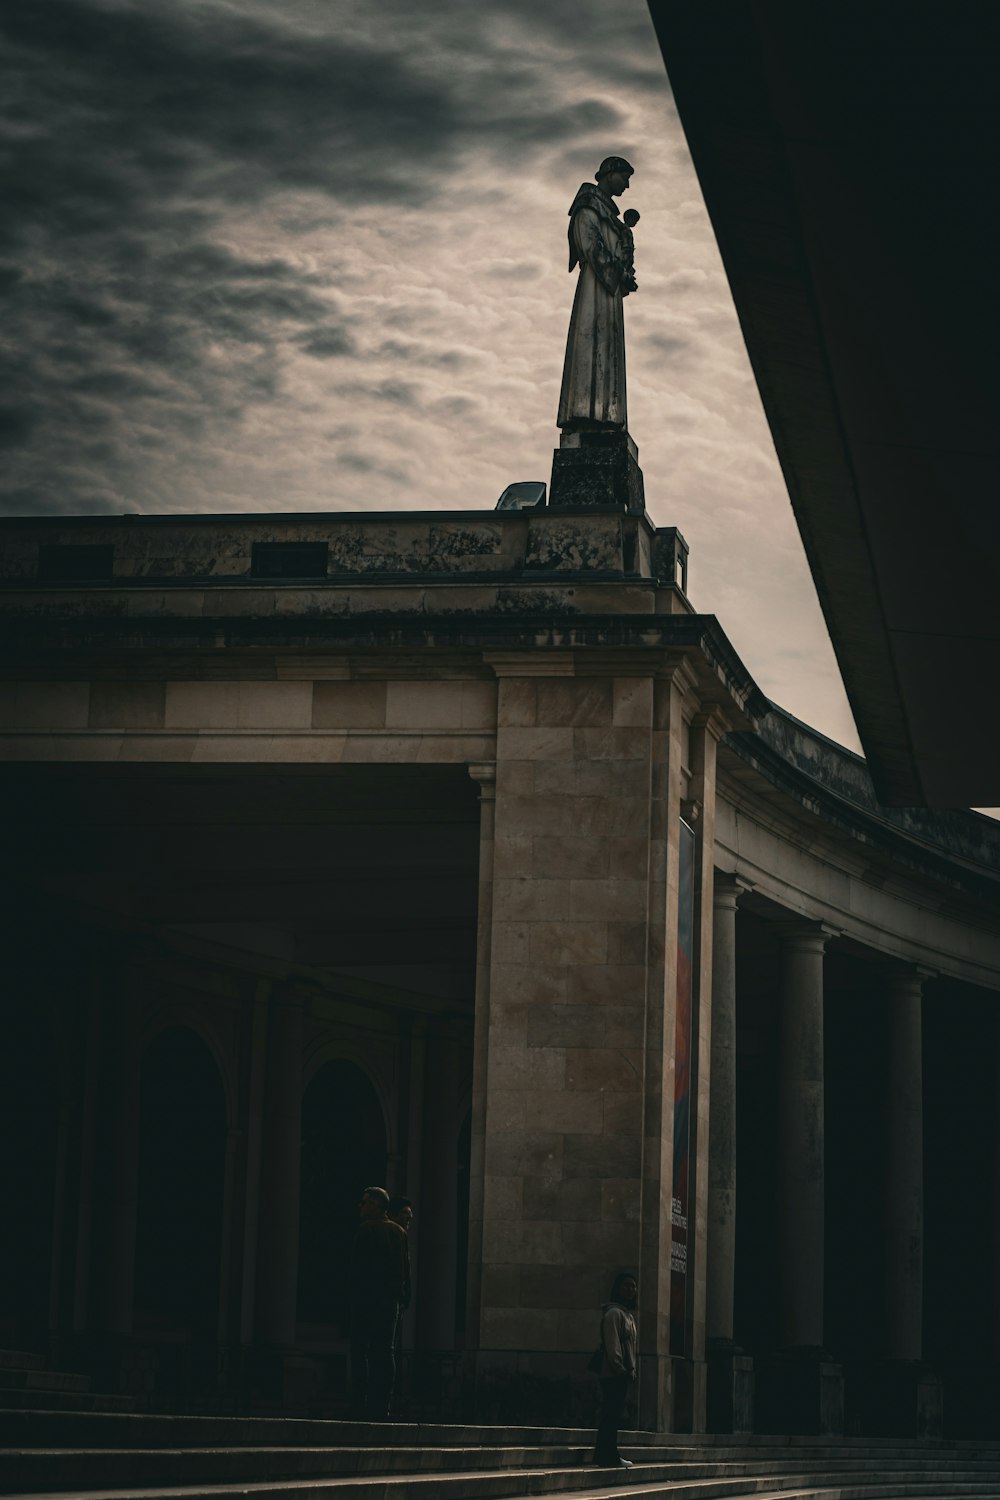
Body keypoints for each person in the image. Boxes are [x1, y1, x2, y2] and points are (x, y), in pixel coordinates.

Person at [557, 156, 636, 433]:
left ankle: (605, 416)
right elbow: (590, 244)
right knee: (591, 344)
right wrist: (618, 272)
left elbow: (615, 255)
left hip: (609, 292)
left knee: (607, 347)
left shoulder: (613, 218)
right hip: (596, 284)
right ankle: (584, 413)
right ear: (609, 173)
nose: (627, 184)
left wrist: (626, 259)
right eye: (624, 177)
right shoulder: (588, 204)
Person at [349, 1186, 409, 1420]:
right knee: (386, 1352)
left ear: (376, 1205)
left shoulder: (366, 1230)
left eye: (365, 1202)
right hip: (390, 1302)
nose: (361, 1206)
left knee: (360, 1352)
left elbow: (357, 1269)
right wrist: (402, 1301)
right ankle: (382, 1405)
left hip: (366, 1300)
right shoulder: (399, 1232)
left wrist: (354, 1298)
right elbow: (406, 1271)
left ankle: (360, 1404)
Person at [593, 1271, 638, 1468]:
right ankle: (607, 1455)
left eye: (633, 1286)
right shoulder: (613, 1313)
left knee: (613, 1415)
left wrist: (631, 1370)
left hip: (622, 1374)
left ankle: (608, 1454)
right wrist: (620, 1369)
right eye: (626, 1285)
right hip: (613, 1374)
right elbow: (613, 1347)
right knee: (610, 1415)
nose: (630, 1290)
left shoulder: (626, 1315)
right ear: (618, 1289)